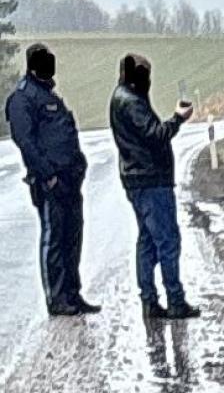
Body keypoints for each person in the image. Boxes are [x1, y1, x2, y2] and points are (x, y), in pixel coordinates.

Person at [5, 43, 97, 316]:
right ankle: (56, 298)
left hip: (70, 179)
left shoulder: (49, 94)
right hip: (50, 182)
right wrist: (48, 176)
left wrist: (78, 166)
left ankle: (72, 293)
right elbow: (26, 142)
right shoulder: (23, 98)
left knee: (72, 238)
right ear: (34, 64)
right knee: (54, 240)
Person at [107, 55, 198, 321]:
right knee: (167, 240)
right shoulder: (132, 102)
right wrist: (178, 119)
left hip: (137, 179)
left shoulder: (121, 97)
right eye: (146, 74)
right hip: (151, 180)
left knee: (147, 240)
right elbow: (156, 135)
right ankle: (175, 300)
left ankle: (149, 300)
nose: (149, 80)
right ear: (138, 76)